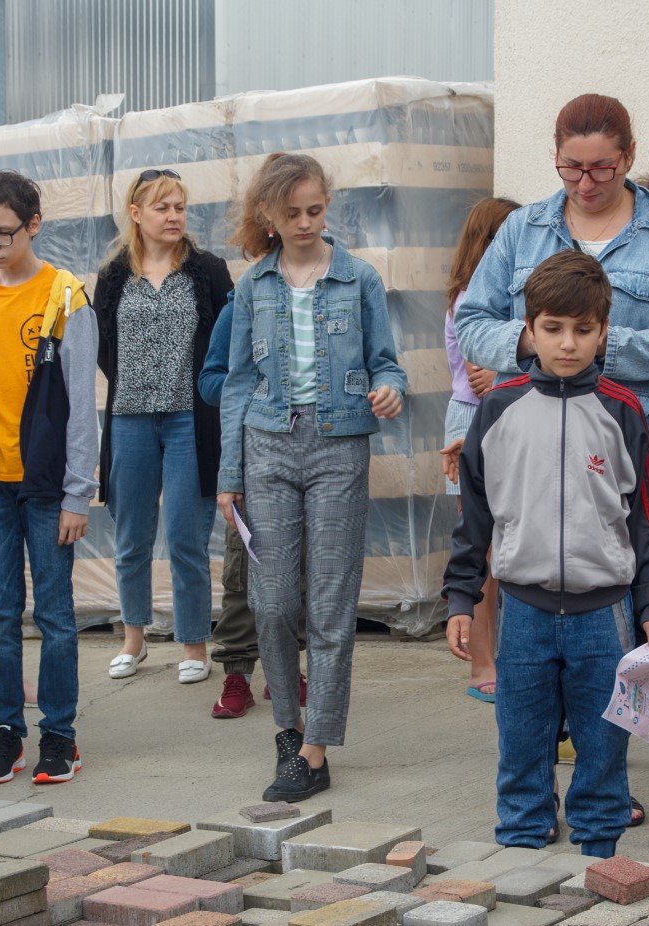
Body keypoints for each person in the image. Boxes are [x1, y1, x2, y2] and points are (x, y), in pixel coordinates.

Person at [456, 92, 649, 775]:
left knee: (643, 598)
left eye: (601, 167)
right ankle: (578, 732)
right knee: (557, 611)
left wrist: (604, 348)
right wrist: (536, 345)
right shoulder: (522, 230)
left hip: (640, 447)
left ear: (628, 157)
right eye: (570, 168)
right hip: (540, 459)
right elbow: (472, 322)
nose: (585, 182)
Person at [444, 250, 649, 854]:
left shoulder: (622, 410)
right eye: (552, 328)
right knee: (522, 738)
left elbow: (648, 520)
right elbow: (475, 516)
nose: (568, 343)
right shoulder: (498, 408)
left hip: (605, 615)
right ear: (529, 329)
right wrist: (461, 597)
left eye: (583, 329)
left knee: (603, 745)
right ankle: (523, 838)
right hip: (522, 612)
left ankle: (601, 847)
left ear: (604, 331)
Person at [217, 152, 407, 802]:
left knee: (329, 604)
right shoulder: (253, 286)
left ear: (328, 207)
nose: (304, 222)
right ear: (268, 214)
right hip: (266, 445)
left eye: (315, 210)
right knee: (270, 602)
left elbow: (387, 362)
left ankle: (315, 751)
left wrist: (389, 388)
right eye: (292, 212)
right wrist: (229, 473)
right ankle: (287, 728)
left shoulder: (359, 279)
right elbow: (237, 382)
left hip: (338, 448)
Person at [0, 170, 98, 785]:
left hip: (48, 487)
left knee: (54, 614)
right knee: (0, 614)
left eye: (3, 233)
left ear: (34, 225)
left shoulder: (65, 297)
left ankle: (60, 734)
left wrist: (78, 493)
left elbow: (81, 405)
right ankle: (6, 729)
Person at [94, 168, 231, 684]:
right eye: (161, 208)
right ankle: (134, 638)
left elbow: (227, 342)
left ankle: (194, 644)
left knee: (184, 537)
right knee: (131, 536)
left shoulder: (208, 271)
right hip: (129, 419)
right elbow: (104, 346)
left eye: (179, 207)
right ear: (136, 214)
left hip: (189, 422)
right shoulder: (113, 276)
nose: (173, 217)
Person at [198, 292, 309, 718]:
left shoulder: (318, 300)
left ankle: (287, 671)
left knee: (298, 568)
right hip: (252, 455)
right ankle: (237, 674)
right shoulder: (237, 307)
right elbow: (210, 380)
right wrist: (255, 386)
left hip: (308, 453)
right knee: (244, 568)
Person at [438, 195, 520, 703]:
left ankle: (505, 658)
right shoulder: (472, 298)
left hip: (502, 416)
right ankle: (483, 664)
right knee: (484, 551)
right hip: (475, 421)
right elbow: (482, 378)